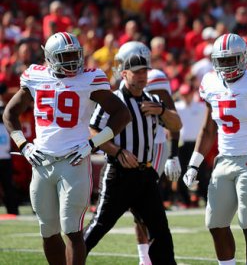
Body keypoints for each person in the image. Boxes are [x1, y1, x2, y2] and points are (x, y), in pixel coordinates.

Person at [2, 32, 131, 265]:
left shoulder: (90, 78)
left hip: (75, 161)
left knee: (72, 229)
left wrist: (93, 143)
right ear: (49, 58)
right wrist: (23, 145)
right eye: (65, 56)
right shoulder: (35, 76)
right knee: (47, 230)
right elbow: (10, 113)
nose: (73, 61)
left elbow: (122, 114)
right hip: (41, 162)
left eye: (75, 54)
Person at [182, 33, 247, 265]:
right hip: (223, 159)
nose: (227, 66)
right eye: (222, 60)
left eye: (232, 60)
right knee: (215, 223)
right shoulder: (210, 82)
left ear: (244, 58)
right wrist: (193, 164)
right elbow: (207, 130)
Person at [84, 46, 182, 265]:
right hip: (119, 174)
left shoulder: (153, 99)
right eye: (136, 72)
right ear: (124, 73)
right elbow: (93, 130)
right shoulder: (114, 99)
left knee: (160, 232)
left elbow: (177, 124)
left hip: (146, 174)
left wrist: (163, 111)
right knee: (100, 225)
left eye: (144, 71)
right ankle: (70, 260)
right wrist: (117, 151)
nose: (141, 76)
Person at [115, 41, 182, 265]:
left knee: (143, 203)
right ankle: (144, 258)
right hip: (132, 147)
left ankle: (149, 258)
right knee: (137, 206)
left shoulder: (155, 77)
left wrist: (173, 154)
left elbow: (172, 115)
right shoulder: (125, 79)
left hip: (155, 145)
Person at [0, 83, 18, 215]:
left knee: (8, 185)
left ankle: (12, 210)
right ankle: (12, 210)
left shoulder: (5, 107)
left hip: (5, 152)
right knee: (8, 185)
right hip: (5, 152)